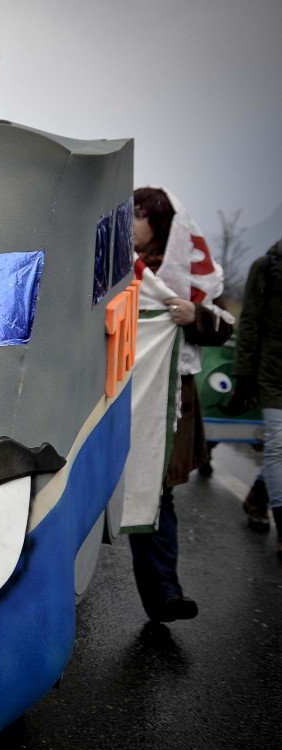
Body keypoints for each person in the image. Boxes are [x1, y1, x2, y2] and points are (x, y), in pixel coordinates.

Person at [128, 187, 233, 623]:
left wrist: (194, 316)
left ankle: (164, 595)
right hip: (109, 393)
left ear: (161, 223)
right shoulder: (114, 267)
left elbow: (222, 326)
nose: (131, 223)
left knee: (154, 491)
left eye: (139, 215)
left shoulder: (189, 279)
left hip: (168, 400)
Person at [231, 238, 282, 555]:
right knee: (278, 444)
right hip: (273, 372)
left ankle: (258, 497)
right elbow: (249, 322)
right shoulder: (267, 267)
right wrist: (244, 377)